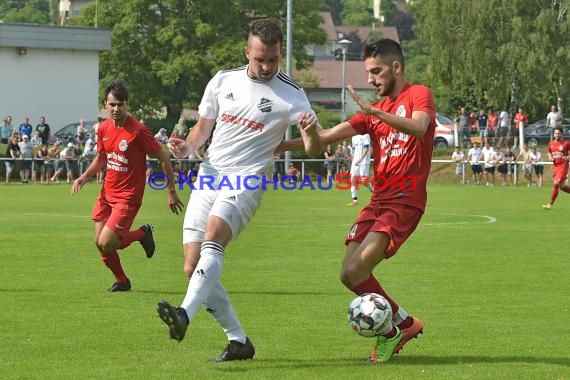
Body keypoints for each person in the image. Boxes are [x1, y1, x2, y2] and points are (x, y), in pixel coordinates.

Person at [156, 19, 321, 362]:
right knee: (191, 266)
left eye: (273, 60)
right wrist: (187, 148)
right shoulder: (223, 81)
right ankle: (239, 341)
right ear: (247, 52)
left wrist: (308, 133)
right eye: (260, 59)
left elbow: (316, 147)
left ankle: (184, 313)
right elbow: (203, 128)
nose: (266, 66)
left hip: (247, 179)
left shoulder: (292, 94)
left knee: (214, 236)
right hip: (210, 175)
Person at [284, 39, 434, 363]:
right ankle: (404, 324)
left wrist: (376, 112)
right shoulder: (369, 116)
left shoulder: (418, 95)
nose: (371, 79)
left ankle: (391, 332)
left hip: (405, 202)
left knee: (357, 268)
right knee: (348, 276)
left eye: (376, 71)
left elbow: (420, 127)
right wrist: (296, 138)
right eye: (368, 72)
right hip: (378, 201)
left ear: (396, 68)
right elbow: (317, 145)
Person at [71, 79, 184, 291]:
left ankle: (142, 233)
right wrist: (84, 177)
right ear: (105, 104)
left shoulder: (138, 131)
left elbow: (164, 158)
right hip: (106, 193)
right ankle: (122, 282)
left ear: (127, 105)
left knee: (106, 243)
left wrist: (171, 191)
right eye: (112, 104)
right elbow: (102, 158)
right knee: (100, 243)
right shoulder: (103, 128)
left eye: (120, 104)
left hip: (128, 196)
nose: (116, 108)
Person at [543, 126, 570, 210]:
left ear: (561, 134)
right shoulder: (551, 143)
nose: (557, 134)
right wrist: (550, 157)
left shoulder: (566, 143)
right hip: (556, 167)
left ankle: (550, 204)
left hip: (564, 166)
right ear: (553, 134)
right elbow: (549, 152)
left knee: (556, 183)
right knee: (562, 187)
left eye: (558, 133)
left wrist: (568, 157)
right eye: (555, 133)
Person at [347, 133, 373, 206]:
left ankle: (374, 192)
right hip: (355, 161)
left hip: (364, 161)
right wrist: (353, 157)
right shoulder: (354, 137)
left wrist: (360, 159)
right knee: (352, 179)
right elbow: (354, 149)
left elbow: (366, 148)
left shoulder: (366, 135)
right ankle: (355, 200)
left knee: (364, 181)